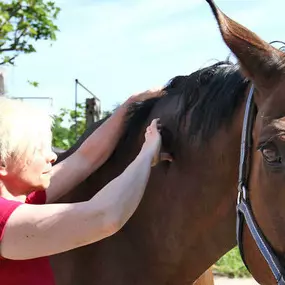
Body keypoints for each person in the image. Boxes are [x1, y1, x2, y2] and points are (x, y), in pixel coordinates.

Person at [0, 88, 164, 285]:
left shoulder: (20, 199)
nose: (51, 156)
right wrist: (146, 154)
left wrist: (129, 106)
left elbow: (84, 159)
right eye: (37, 149)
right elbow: (105, 216)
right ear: (2, 164)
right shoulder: (3, 218)